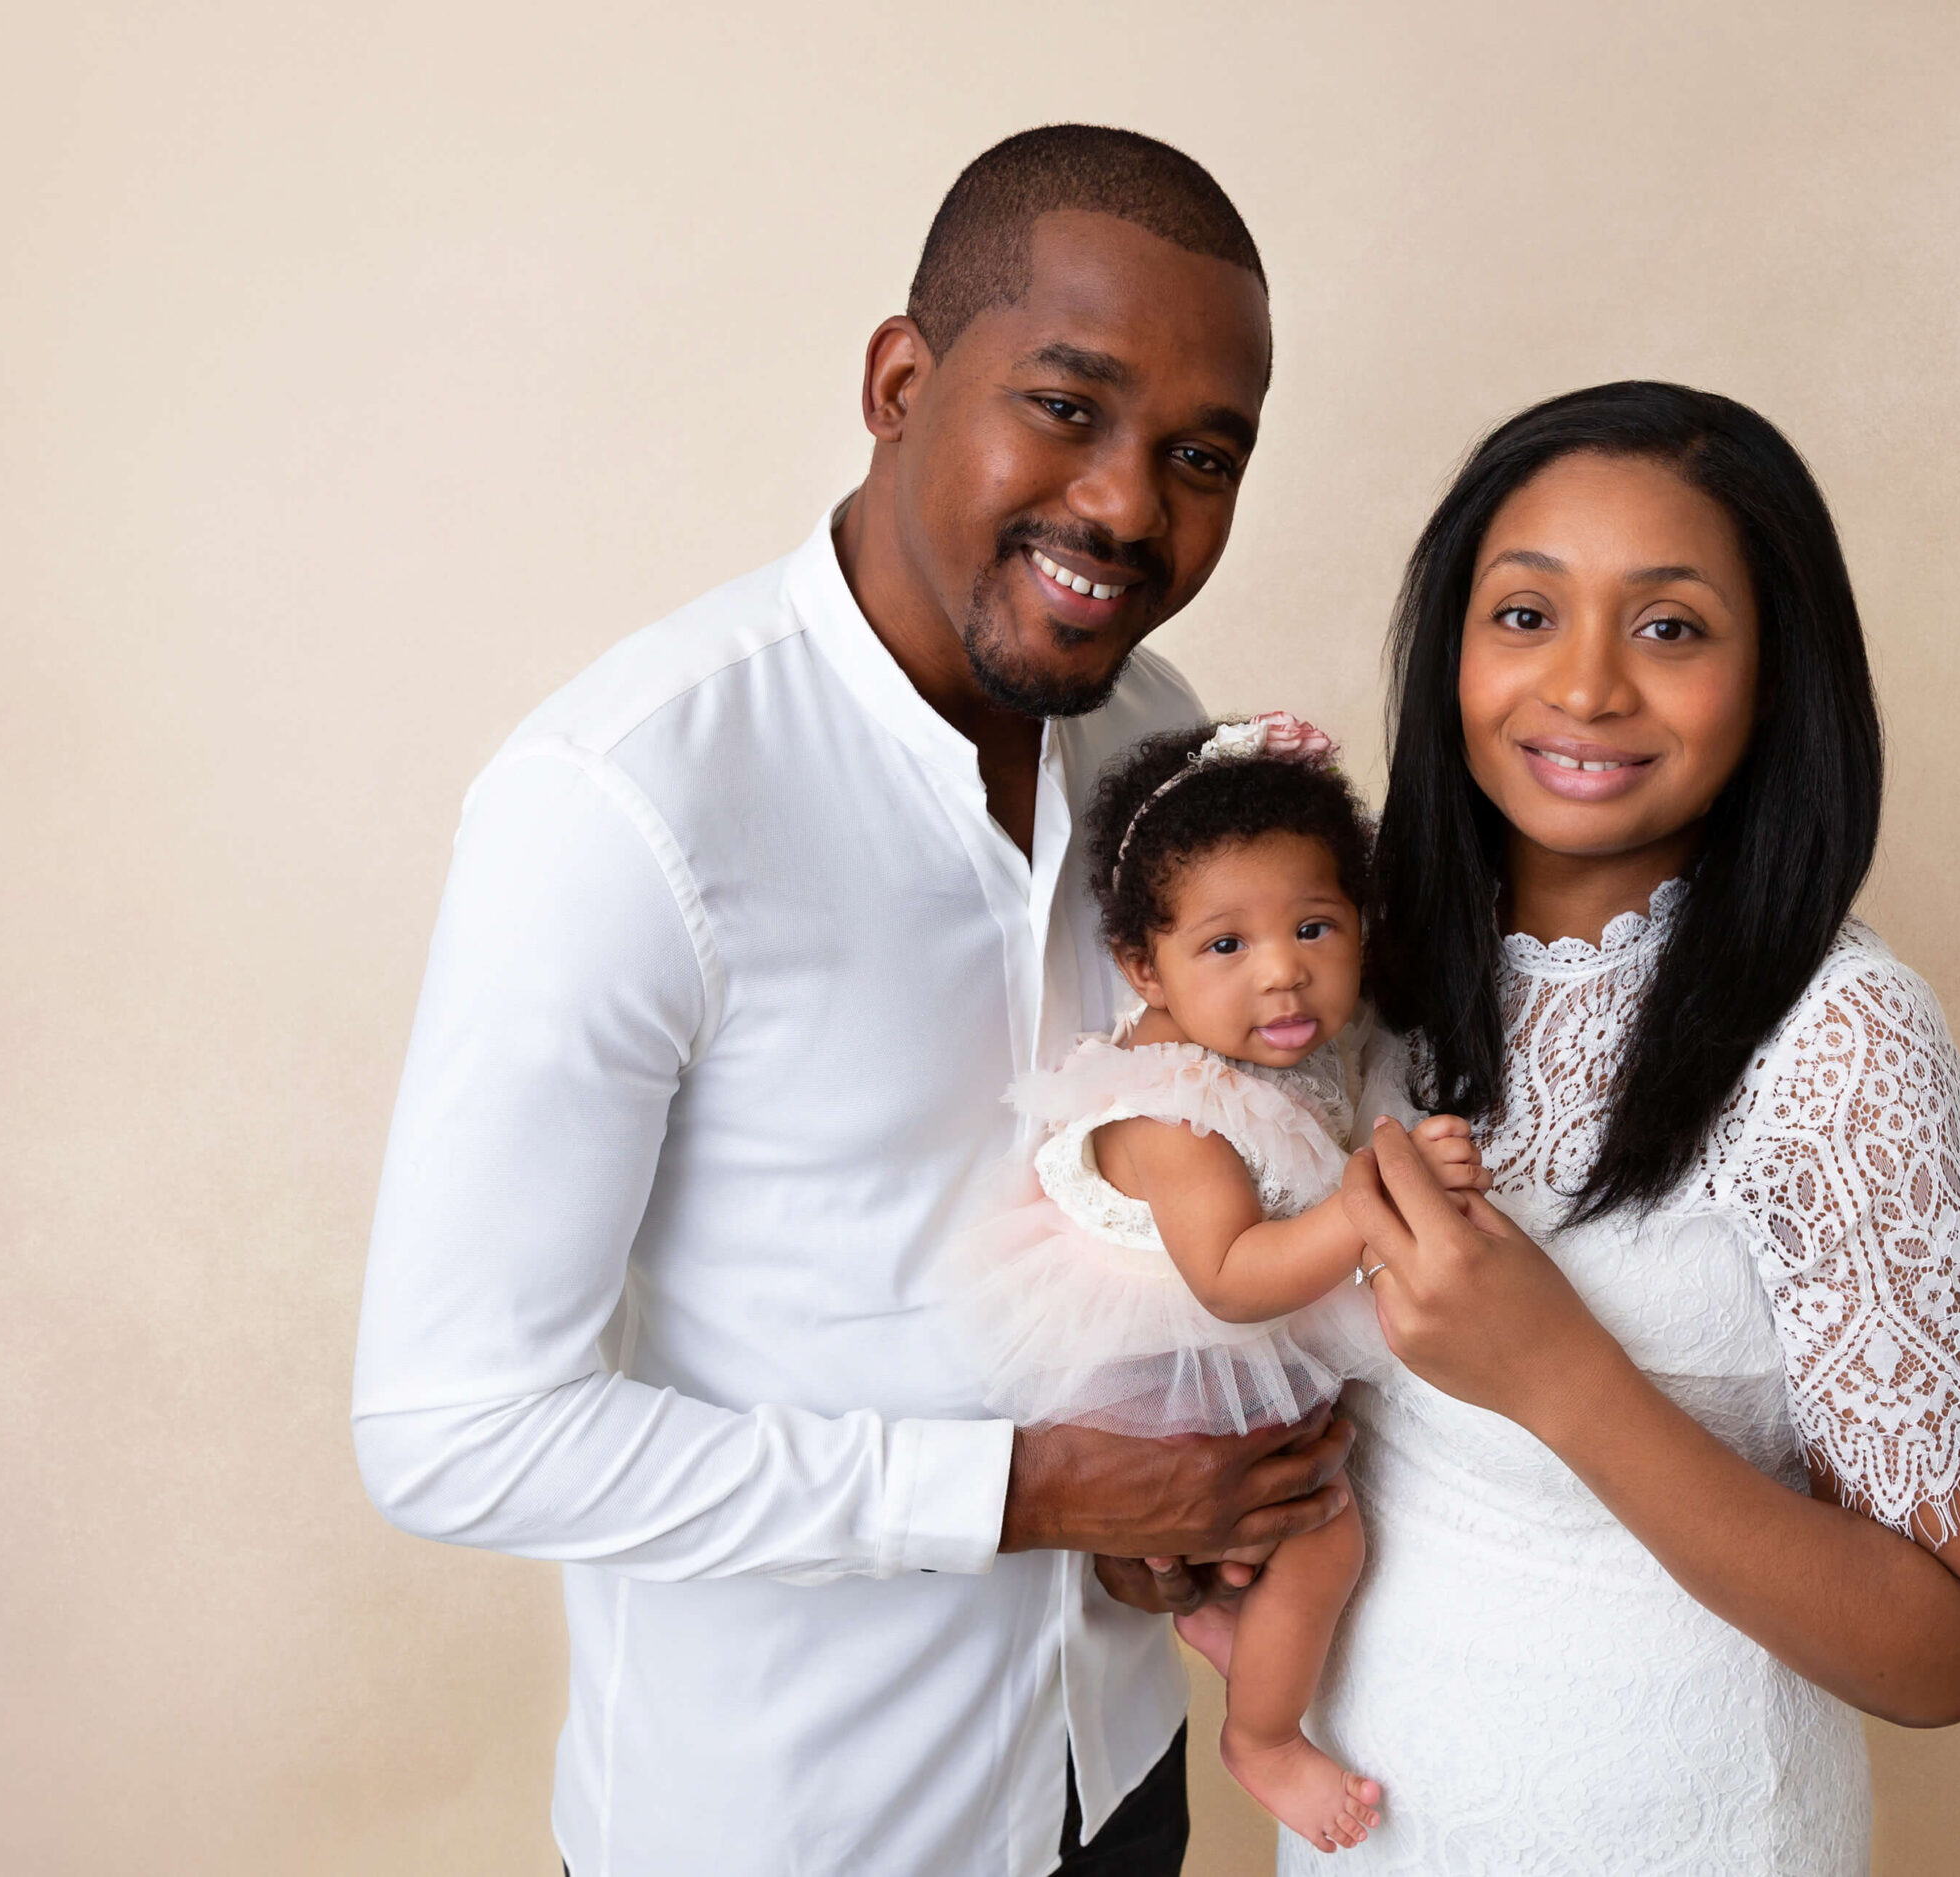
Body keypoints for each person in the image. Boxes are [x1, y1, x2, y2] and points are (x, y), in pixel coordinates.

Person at [351, 125, 1356, 1877]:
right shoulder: (625, 798)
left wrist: (1165, 1500)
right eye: (1067, 404)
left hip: (1119, 1772)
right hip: (794, 1825)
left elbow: (1144, 1183)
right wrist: (1025, 1493)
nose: (1129, 503)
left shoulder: (1155, 739)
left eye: (1203, 453)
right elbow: (454, 1435)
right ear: (901, 380)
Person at [1293, 382, 1960, 1873]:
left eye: (1671, 627)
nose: (1584, 687)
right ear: (1448, 647)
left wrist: (1558, 1372)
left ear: (1776, 678)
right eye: (1524, 615)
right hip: (1374, 1823)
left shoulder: (1838, 1040)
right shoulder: (1362, 976)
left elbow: (1946, 1647)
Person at [943, 714, 1487, 1853]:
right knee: (1324, 1530)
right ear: (1145, 967)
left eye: (1313, 926)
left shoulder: (1290, 1050)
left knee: (1289, 1527)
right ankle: (1265, 1735)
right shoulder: (1179, 1109)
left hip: (1210, 1347)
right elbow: (1236, 1279)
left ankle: (1229, 1615)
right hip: (1160, 1368)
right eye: (1225, 946)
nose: (1283, 968)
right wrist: (1371, 1200)